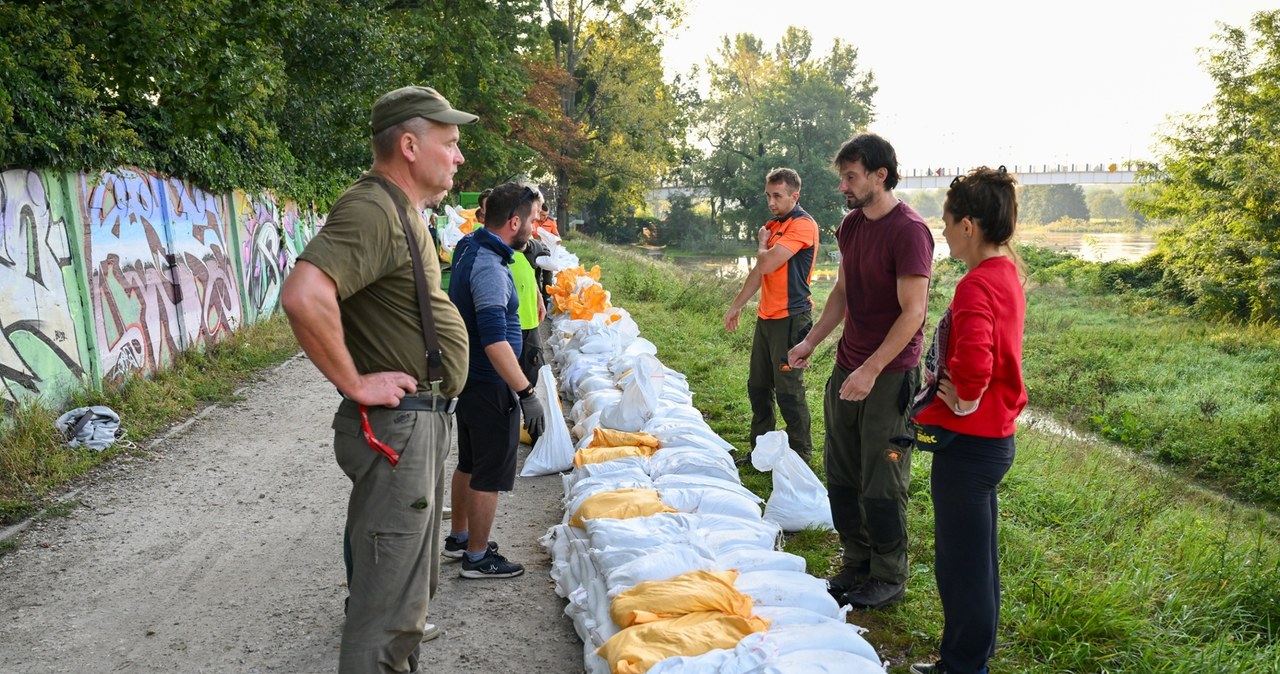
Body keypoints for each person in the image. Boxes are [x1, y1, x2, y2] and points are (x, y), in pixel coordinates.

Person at [281, 85, 475, 674]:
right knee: (385, 612)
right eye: (451, 142)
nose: (459, 157)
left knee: (405, 598)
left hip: (419, 425)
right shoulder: (373, 207)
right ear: (411, 145)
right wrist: (355, 382)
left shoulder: (401, 210)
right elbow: (304, 295)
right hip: (401, 429)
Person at [787, 134, 933, 610]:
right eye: (842, 177)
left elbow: (913, 313)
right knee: (844, 470)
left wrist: (872, 369)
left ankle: (888, 574)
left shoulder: (909, 231)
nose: (843, 187)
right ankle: (856, 561)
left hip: (889, 374)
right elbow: (843, 295)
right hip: (850, 366)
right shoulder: (850, 227)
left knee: (883, 479)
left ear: (879, 175)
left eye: (850, 177)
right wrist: (811, 341)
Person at [908, 167, 1027, 674]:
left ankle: (962, 666)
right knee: (978, 563)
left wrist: (963, 400)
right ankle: (968, 657)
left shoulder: (977, 285)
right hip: (993, 442)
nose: (943, 232)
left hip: (971, 445)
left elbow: (977, 363)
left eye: (947, 221)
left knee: (963, 568)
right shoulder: (1006, 274)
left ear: (969, 226)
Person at [444, 181, 546, 579]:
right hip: (490, 384)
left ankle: (460, 538)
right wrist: (526, 391)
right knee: (488, 473)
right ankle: (476, 557)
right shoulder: (489, 268)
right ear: (514, 221)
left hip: (469, 379)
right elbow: (494, 341)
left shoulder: (470, 245)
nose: (534, 230)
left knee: (468, 462)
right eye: (532, 222)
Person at [723, 167, 819, 462]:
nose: (771, 202)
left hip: (791, 319)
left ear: (794, 195)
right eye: (768, 195)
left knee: (789, 390)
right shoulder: (774, 224)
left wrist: (762, 245)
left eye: (777, 196)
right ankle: (761, 453)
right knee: (758, 386)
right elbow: (758, 272)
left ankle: (799, 454)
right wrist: (737, 305)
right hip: (767, 318)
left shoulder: (802, 226)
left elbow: (766, 263)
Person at [510, 191, 549, 402]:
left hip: (529, 321)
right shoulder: (492, 254)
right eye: (533, 220)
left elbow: (530, 273)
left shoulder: (523, 247)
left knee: (536, 376)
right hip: (515, 327)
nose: (535, 228)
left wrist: (539, 297)